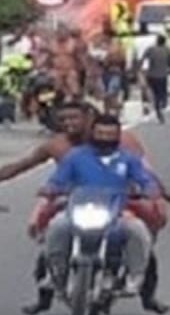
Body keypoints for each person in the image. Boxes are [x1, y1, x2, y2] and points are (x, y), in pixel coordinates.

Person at [0, 100, 170, 315]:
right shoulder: (62, 149)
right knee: (52, 232)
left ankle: (146, 293)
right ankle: (47, 290)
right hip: (73, 200)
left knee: (138, 233)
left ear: (89, 118)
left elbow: (145, 173)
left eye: (74, 118)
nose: (69, 124)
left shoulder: (123, 143)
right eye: (63, 119)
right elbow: (24, 167)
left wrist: (159, 194)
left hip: (119, 201)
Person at [35, 114, 157, 297]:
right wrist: (50, 188)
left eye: (110, 134)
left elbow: (145, 179)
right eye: (100, 133)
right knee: (57, 226)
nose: (105, 138)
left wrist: (148, 190)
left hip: (116, 213)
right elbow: (57, 180)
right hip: (78, 210)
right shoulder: (76, 157)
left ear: (117, 136)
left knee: (138, 230)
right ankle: (55, 273)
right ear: (92, 133)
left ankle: (134, 278)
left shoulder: (128, 159)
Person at [140, 34, 170, 123]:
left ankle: (157, 107)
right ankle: (162, 104)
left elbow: (143, 59)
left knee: (155, 92)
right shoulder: (167, 50)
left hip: (152, 74)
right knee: (162, 91)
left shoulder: (150, 49)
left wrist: (142, 68)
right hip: (163, 74)